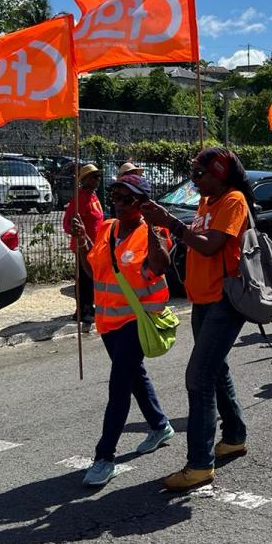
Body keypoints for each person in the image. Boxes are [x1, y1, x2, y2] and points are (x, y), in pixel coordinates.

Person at [142, 147, 255, 492]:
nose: (194, 180)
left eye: (200, 174)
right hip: (202, 300)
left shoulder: (233, 201)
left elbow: (210, 246)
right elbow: (193, 245)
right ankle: (234, 436)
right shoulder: (206, 203)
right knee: (216, 369)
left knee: (199, 377)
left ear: (220, 173)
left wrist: (171, 223)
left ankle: (200, 465)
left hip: (225, 300)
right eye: (192, 174)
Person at [68, 173, 174, 487]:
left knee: (118, 387)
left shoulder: (152, 232)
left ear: (143, 203)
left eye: (127, 198)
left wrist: (155, 230)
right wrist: (84, 242)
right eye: (115, 196)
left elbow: (161, 265)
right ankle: (159, 424)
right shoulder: (106, 229)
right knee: (133, 375)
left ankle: (105, 457)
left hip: (135, 322)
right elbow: (93, 269)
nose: (119, 203)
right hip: (108, 323)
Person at [62, 163, 103, 330]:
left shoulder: (93, 196)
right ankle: (83, 309)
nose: (97, 180)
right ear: (85, 180)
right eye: (94, 177)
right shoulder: (79, 198)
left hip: (95, 245)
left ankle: (88, 306)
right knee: (85, 278)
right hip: (82, 245)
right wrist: (77, 232)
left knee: (91, 277)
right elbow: (67, 223)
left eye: (98, 177)